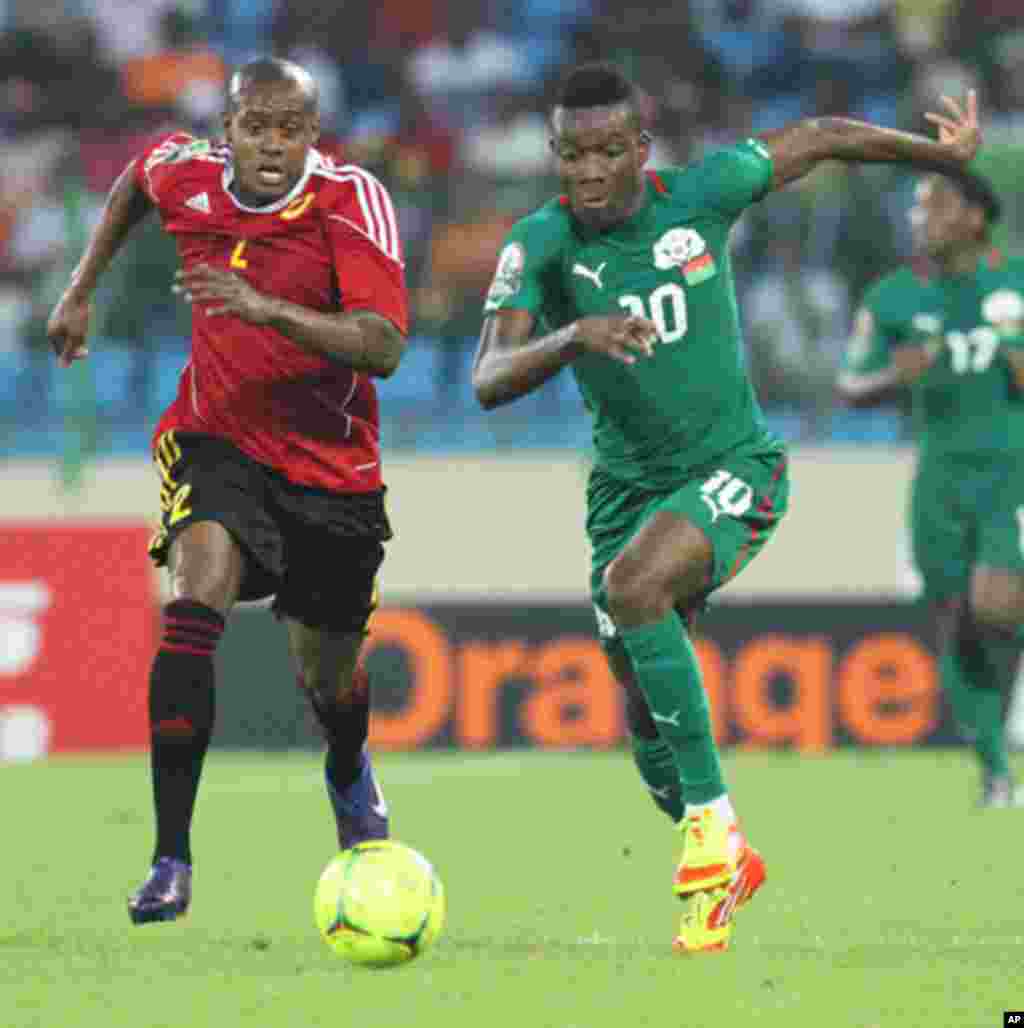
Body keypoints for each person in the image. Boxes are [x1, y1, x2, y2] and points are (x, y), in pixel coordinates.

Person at [472, 62, 981, 954]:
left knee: (636, 591)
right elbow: (487, 377)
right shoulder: (541, 243)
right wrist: (573, 333)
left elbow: (820, 136)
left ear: (641, 149)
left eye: (605, 152)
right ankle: (719, 843)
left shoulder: (704, 194)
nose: (587, 172)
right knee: (641, 717)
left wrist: (932, 159)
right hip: (624, 492)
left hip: (736, 466)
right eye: (570, 155)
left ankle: (712, 825)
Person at [46, 58, 408, 924]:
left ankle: (348, 766)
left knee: (329, 679)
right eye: (257, 126)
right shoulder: (188, 174)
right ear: (229, 130)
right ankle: (171, 860)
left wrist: (265, 309)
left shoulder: (351, 202)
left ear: (314, 136)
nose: (273, 144)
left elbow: (385, 345)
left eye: (291, 128)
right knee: (193, 599)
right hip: (219, 440)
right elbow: (137, 180)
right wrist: (79, 289)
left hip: (332, 469)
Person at [837, 167, 1024, 808]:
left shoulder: (1017, 283)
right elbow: (850, 385)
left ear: (975, 217)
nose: (921, 218)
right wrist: (894, 375)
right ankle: (997, 770)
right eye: (916, 208)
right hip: (938, 478)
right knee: (954, 622)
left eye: (936, 205)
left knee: (997, 605)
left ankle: (1004, 727)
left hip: (1012, 472)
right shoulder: (891, 297)